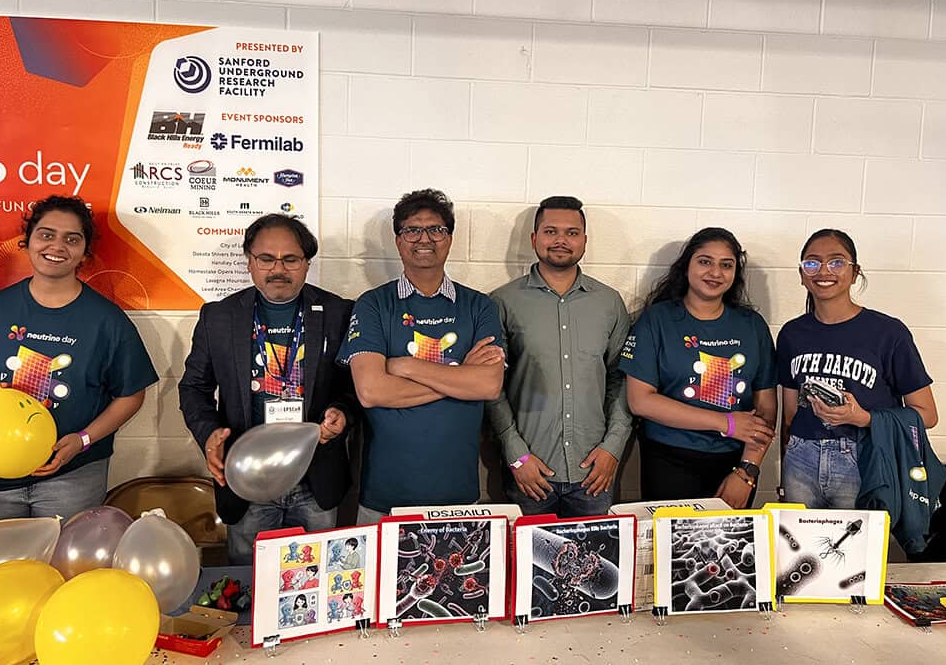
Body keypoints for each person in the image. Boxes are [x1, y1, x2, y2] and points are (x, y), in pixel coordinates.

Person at [180, 214, 360, 564]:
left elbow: (354, 386)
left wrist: (342, 413)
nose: (278, 269)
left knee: (317, 575)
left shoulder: (339, 313)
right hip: (247, 478)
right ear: (249, 261)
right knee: (248, 579)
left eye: (290, 259)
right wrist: (209, 433)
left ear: (306, 264)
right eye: (266, 258)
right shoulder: (218, 317)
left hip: (315, 479)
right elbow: (194, 388)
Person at [0, 195, 157, 522]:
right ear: (28, 241)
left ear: (85, 251)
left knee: (66, 555)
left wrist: (82, 440)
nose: (57, 246)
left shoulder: (107, 321)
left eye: (72, 239)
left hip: (73, 475)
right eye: (46, 234)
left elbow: (131, 395)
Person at [338, 189, 505, 523]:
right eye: (412, 230)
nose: (424, 238)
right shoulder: (373, 304)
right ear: (399, 241)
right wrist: (461, 376)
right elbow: (371, 391)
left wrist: (405, 366)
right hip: (384, 496)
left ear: (450, 239)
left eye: (436, 229)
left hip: (459, 496)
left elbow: (488, 385)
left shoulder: (479, 306)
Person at [487, 196, 632, 517]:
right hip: (529, 474)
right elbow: (492, 387)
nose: (561, 240)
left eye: (572, 233)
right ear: (534, 238)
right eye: (551, 231)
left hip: (594, 473)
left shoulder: (609, 303)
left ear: (584, 240)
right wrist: (515, 453)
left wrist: (612, 448)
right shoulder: (502, 302)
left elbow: (621, 380)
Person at [777, 228, 938, 509]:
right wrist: (784, 472)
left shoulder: (889, 333)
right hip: (800, 459)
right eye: (812, 263)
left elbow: (927, 415)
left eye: (837, 262)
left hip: (863, 456)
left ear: (855, 273)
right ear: (802, 274)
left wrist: (863, 418)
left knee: (859, 538)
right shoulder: (791, 333)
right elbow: (789, 415)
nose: (823, 271)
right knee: (798, 538)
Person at [620, 227, 776, 508]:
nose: (715, 272)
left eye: (726, 265)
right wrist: (726, 423)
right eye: (705, 261)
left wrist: (747, 471)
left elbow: (766, 408)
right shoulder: (657, 320)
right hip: (668, 461)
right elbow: (640, 401)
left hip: (734, 466)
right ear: (687, 266)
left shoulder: (752, 326)